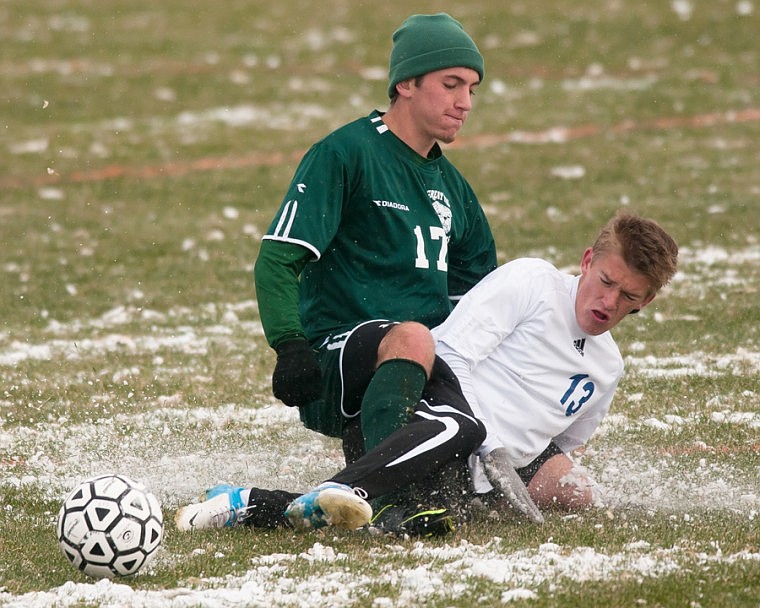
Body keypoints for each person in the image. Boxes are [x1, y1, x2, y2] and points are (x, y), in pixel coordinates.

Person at [176, 212, 679, 535]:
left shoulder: (607, 367)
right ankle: (260, 503)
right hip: (429, 404)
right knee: (463, 426)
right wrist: (488, 443)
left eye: (629, 296)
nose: (608, 302)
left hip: (480, 467)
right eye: (606, 281)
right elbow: (451, 353)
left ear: (647, 301)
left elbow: (567, 445)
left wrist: (534, 481)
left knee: (576, 492)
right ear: (588, 261)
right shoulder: (532, 282)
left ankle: (341, 500)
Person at [253, 14, 496, 490]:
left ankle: (278, 503)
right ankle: (385, 488)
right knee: (412, 337)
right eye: (451, 85)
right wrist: (290, 346)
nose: (465, 103)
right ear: (406, 83)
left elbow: (480, 300)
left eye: (471, 89)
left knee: (485, 489)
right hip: (337, 358)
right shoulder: (346, 153)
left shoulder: (454, 188)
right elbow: (278, 259)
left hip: (420, 368)